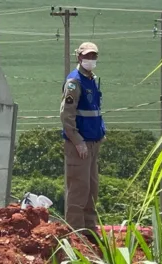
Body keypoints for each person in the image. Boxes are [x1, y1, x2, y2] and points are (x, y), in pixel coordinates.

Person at [59, 42, 106, 239]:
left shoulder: (91, 80)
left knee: (91, 189)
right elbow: (66, 115)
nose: (91, 60)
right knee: (79, 188)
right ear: (79, 57)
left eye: (94, 56)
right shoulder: (74, 81)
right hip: (79, 144)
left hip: (93, 143)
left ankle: (89, 229)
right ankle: (76, 233)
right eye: (87, 56)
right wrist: (78, 141)